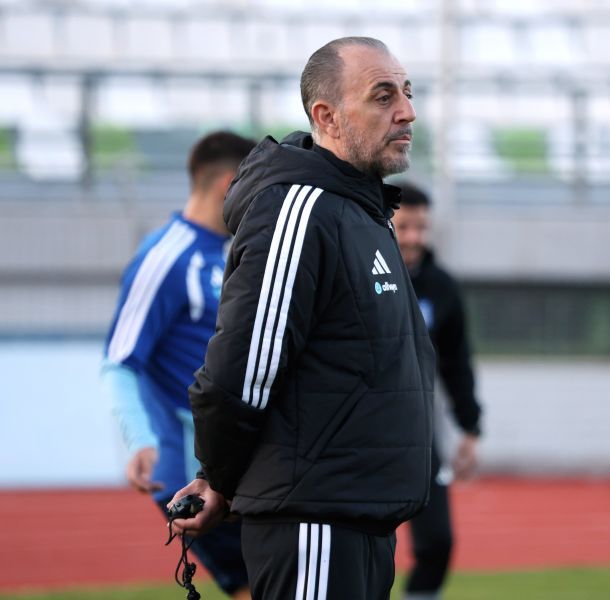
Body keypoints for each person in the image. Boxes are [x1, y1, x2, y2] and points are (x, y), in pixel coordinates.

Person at [168, 37, 435, 600]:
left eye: (407, 92)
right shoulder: (301, 209)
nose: (407, 111)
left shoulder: (363, 212)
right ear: (327, 116)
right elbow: (240, 372)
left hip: (361, 521)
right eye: (383, 96)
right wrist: (218, 476)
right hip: (315, 525)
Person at [100, 131, 256, 599]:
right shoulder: (166, 257)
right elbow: (119, 362)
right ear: (229, 185)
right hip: (192, 469)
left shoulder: (225, 253)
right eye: (257, 187)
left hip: (234, 459)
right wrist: (140, 439)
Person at [393, 182, 482, 600]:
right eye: (404, 226)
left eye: (421, 227)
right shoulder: (355, 274)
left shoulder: (441, 286)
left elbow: (456, 361)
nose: (414, 237)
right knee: (361, 546)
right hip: (357, 434)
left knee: (438, 543)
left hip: (418, 435)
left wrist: (470, 427)